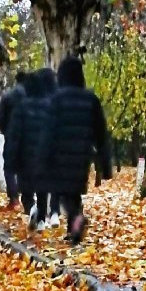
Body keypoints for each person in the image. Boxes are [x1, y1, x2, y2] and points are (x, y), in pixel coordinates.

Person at [42, 56, 112, 243]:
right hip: (82, 155)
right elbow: (101, 134)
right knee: (73, 192)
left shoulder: (56, 100)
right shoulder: (91, 100)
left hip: (59, 154)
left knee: (63, 191)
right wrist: (105, 164)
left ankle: (77, 220)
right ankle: (73, 231)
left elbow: (47, 131)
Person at [5, 68, 55, 231]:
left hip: (25, 156)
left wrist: (11, 159)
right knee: (42, 188)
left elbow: (14, 135)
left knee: (26, 188)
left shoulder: (21, 108)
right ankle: (41, 221)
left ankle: (31, 208)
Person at [0, 71, 29, 206]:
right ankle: (27, 198)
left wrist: (6, 131)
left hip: (11, 136)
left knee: (9, 167)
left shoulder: (7, 96)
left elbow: (0, 117)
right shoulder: (31, 96)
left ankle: (14, 198)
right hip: (28, 136)